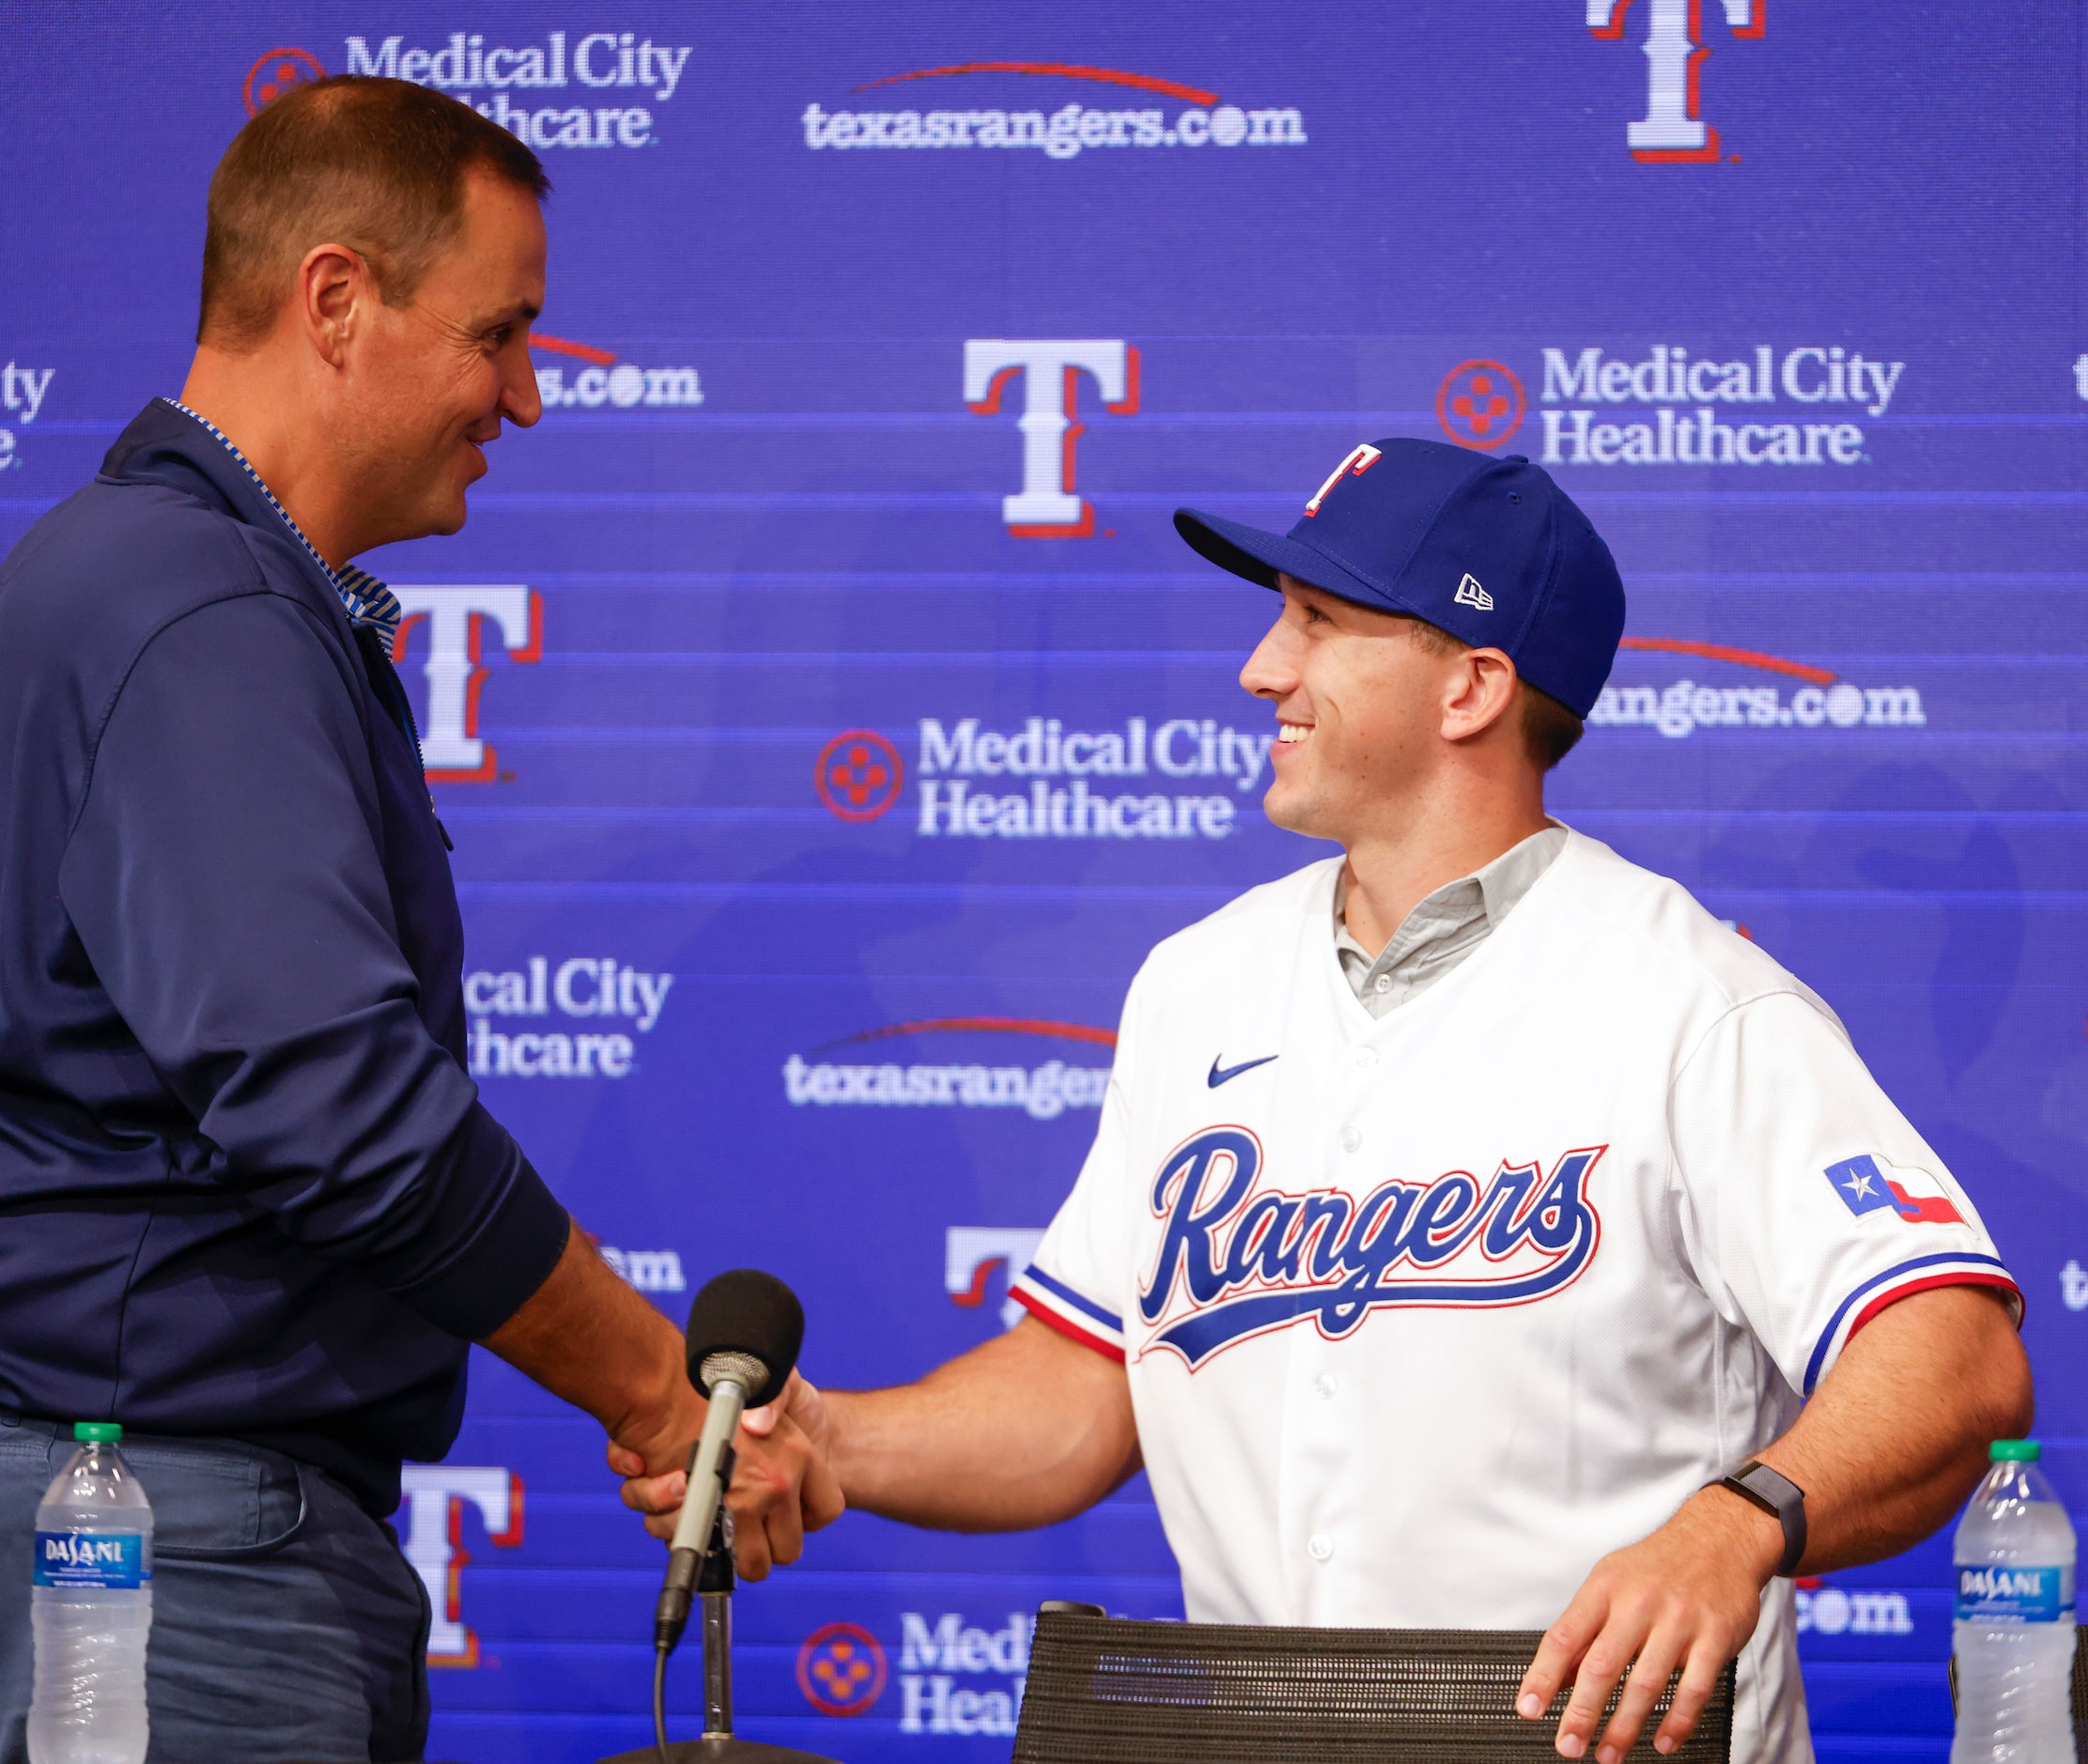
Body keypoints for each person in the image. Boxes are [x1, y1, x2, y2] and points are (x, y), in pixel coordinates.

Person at [622, 439, 2034, 1764]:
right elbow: (1088, 1381)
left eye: (1314, 620)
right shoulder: (1201, 981)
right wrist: (837, 1442)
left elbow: (1957, 1361)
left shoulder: (1696, 1002)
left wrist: (1741, 1523)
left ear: (1470, 687)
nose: (1257, 668)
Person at [0, 77, 835, 1764]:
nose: (524, 397)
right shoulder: (202, 609)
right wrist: (653, 1386)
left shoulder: (121, 577)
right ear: (334, 300)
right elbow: (345, 1113)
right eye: (499, 335)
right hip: (182, 1561)